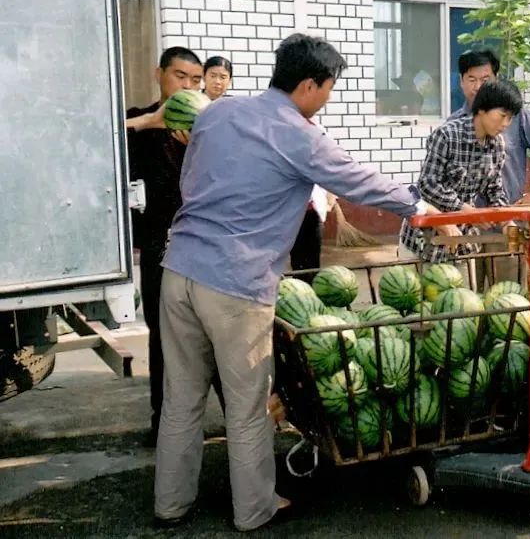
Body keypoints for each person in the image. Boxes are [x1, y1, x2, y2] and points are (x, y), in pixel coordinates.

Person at [151, 34, 446, 531]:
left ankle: (170, 506)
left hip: (179, 268)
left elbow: (191, 181)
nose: (328, 96)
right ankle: (254, 511)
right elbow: (358, 179)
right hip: (235, 282)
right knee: (246, 408)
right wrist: (418, 207)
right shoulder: (298, 133)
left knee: (181, 400)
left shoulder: (218, 114)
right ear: (309, 84)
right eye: (329, 87)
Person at [124, 46, 204, 444]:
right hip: (158, 246)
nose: (187, 86)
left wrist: (197, 147)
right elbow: (104, 144)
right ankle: (163, 422)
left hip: (202, 246)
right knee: (162, 335)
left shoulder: (206, 127)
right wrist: (150, 122)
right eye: (180, 77)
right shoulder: (140, 119)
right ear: (160, 75)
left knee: (207, 333)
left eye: (195, 80)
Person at [446, 50, 530, 285]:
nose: (478, 87)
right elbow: (439, 182)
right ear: (461, 81)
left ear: (495, 80)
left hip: (508, 227)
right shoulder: (451, 127)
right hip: (467, 229)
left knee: (508, 300)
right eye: (471, 79)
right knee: (468, 303)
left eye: (485, 80)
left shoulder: (516, 117)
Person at [400, 81, 524, 264]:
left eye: (511, 118)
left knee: (462, 292)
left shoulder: (497, 145)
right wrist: (464, 209)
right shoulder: (447, 135)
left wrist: (506, 221)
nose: (506, 124)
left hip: (462, 244)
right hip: (423, 242)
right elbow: (427, 185)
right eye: (502, 115)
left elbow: (494, 190)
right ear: (482, 109)